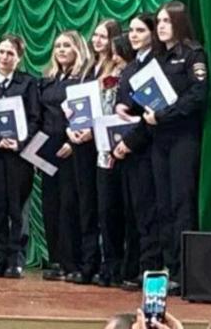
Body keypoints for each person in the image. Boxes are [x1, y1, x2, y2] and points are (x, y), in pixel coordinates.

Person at [144, 1, 207, 288]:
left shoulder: (192, 54)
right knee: (163, 204)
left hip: (183, 137)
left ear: (179, 23)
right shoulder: (157, 58)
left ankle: (185, 272)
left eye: (167, 21)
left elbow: (197, 95)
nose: (161, 26)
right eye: (158, 21)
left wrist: (163, 115)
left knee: (182, 202)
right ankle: (170, 267)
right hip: (159, 140)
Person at [0, 34, 40, 279]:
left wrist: (20, 142)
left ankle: (16, 259)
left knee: (18, 208)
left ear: (19, 58)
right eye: (1, 52)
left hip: (19, 157)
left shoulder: (28, 83)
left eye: (10, 53)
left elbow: (35, 118)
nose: (4, 57)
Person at [39, 30, 98, 283]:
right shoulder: (48, 79)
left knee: (70, 205)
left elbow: (87, 115)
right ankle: (57, 260)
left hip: (72, 147)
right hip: (47, 148)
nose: (61, 50)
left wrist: (72, 143)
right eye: (58, 46)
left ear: (78, 49)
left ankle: (74, 261)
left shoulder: (83, 79)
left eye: (66, 46)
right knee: (50, 204)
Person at [112, 13, 165, 288]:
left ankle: (150, 268)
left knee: (147, 211)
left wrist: (130, 141)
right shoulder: (131, 67)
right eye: (131, 30)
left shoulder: (157, 64)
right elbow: (125, 104)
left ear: (152, 34)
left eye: (140, 30)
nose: (133, 35)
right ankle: (131, 267)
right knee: (131, 211)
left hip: (145, 146)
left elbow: (152, 111)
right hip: (126, 148)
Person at [91, 20, 136, 287]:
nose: (116, 59)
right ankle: (110, 265)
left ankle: (128, 267)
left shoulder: (132, 76)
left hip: (128, 150)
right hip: (104, 150)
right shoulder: (102, 76)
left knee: (126, 212)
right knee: (106, 211)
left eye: (120, 55)